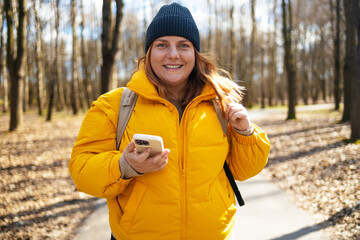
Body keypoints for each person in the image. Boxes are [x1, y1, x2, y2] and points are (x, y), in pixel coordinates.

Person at [69, 2, 270, 240]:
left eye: (183, 45)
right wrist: (125, 166)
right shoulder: (114, 105)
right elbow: (81, 169)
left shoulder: (220, 105)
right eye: (162, 45)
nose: (173, 54)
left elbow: (245, 169)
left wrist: (245, 132)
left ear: (194, 54)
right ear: (149, 53)